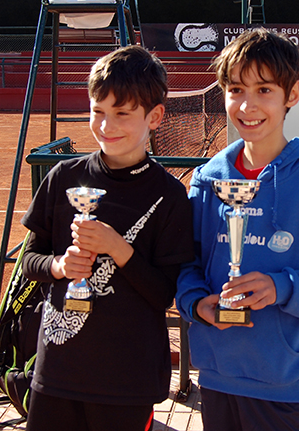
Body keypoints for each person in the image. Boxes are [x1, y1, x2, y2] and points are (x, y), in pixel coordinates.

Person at [175, 28, 299, 431]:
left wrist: (282, 287)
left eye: (264, 90)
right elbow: (186, 264)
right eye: (236, 89)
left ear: (292, 95)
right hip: (217, 374)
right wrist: (195, 303)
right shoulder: (208, 180)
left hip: (287, 383)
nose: (247, 105)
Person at [20, 45, 195, 431]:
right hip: (58, 371)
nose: (106, 125)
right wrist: (60, 266)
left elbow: (164, 294)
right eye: (98, 111)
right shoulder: (63, 177)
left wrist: (119, 250)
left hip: (127, 381)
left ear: (155, 117)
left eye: (122, 113)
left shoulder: (169, 195)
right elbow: (30, 262)